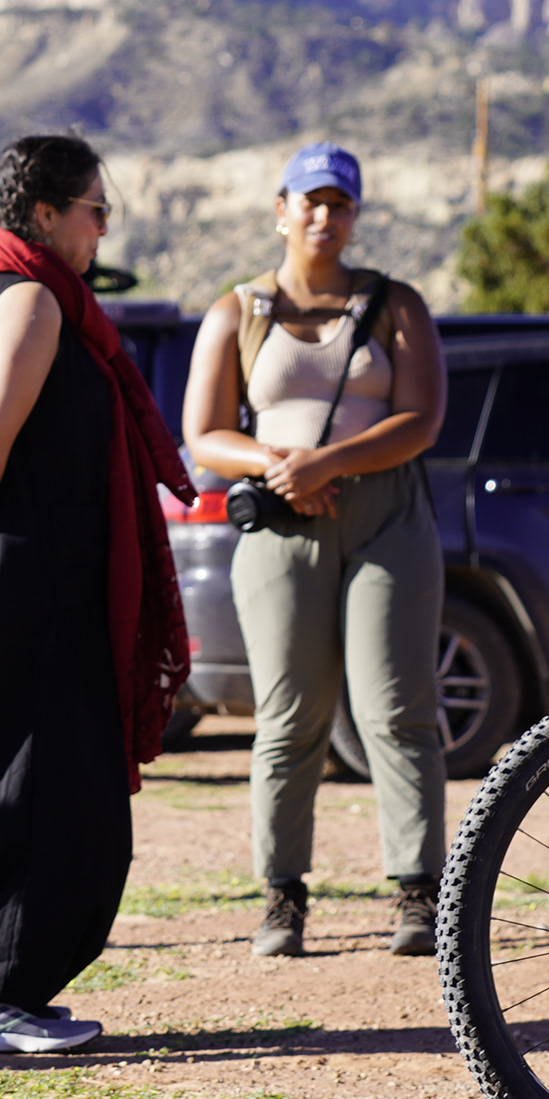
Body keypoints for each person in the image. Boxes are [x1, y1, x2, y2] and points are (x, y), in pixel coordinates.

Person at [0, 134, 191, 1055]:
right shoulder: (31, 301)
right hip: (31, 582)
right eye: (96, 209)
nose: (103, 228)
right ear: (48, 213)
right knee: (49, 785)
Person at [179, 143, 448, 961]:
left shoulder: (395, 304)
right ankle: (282, 899)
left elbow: (421, 418)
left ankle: (417, 892)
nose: (325, 217)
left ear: (356, 215)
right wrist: (280, 468)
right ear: (281, 209)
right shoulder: (238, 310)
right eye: (311, 201)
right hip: (280, 523)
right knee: (288, 716)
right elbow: (204, 434)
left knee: (395, 710)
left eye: (341, 204)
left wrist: (328, 463)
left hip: (384, 516)